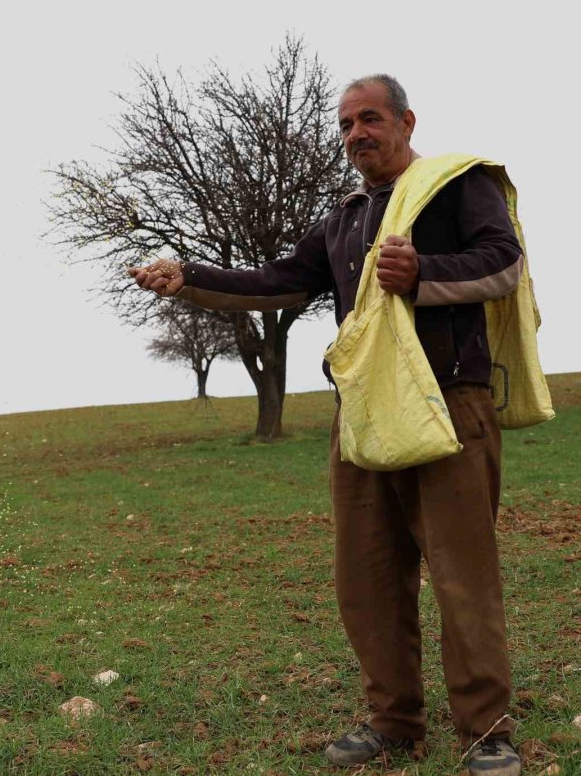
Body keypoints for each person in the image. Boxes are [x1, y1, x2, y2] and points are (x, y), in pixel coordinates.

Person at [129, 75, 524, 776]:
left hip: (450, 404)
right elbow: (280, 279)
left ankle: (487, 730)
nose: (355, 136)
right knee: (367, 574)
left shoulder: (458, 186)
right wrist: (187, 275)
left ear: (406, 120)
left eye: (368, 119)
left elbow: (504, 262)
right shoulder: (342, 217)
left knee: (464, 576)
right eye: (344, 126)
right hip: (364, 410)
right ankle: (394, 722)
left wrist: (424, 271)